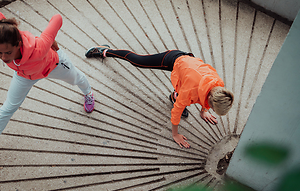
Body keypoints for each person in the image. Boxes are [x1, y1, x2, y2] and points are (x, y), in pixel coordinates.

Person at [0, 10, 95, 172]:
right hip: (24, 76)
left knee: (76, 79)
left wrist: (50, 39)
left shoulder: (39, 47)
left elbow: (57, 18)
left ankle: (88, 93)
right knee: (7, 109)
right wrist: (2, 26)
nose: (3, 57)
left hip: (53, 66)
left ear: (18, 44)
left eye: (8, 52)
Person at [85, 46, 233, 148]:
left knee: (185, 95)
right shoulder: (190, 91)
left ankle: (175, 95)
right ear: (211, 102)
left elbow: (208, 95)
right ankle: (105, 51)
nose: (210, 109)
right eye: (212, 108)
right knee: (138, 61)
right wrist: (175, 134)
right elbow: (176, 112)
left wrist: (203, 111)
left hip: (189, 72)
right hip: (174, 59)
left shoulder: (218, 86)